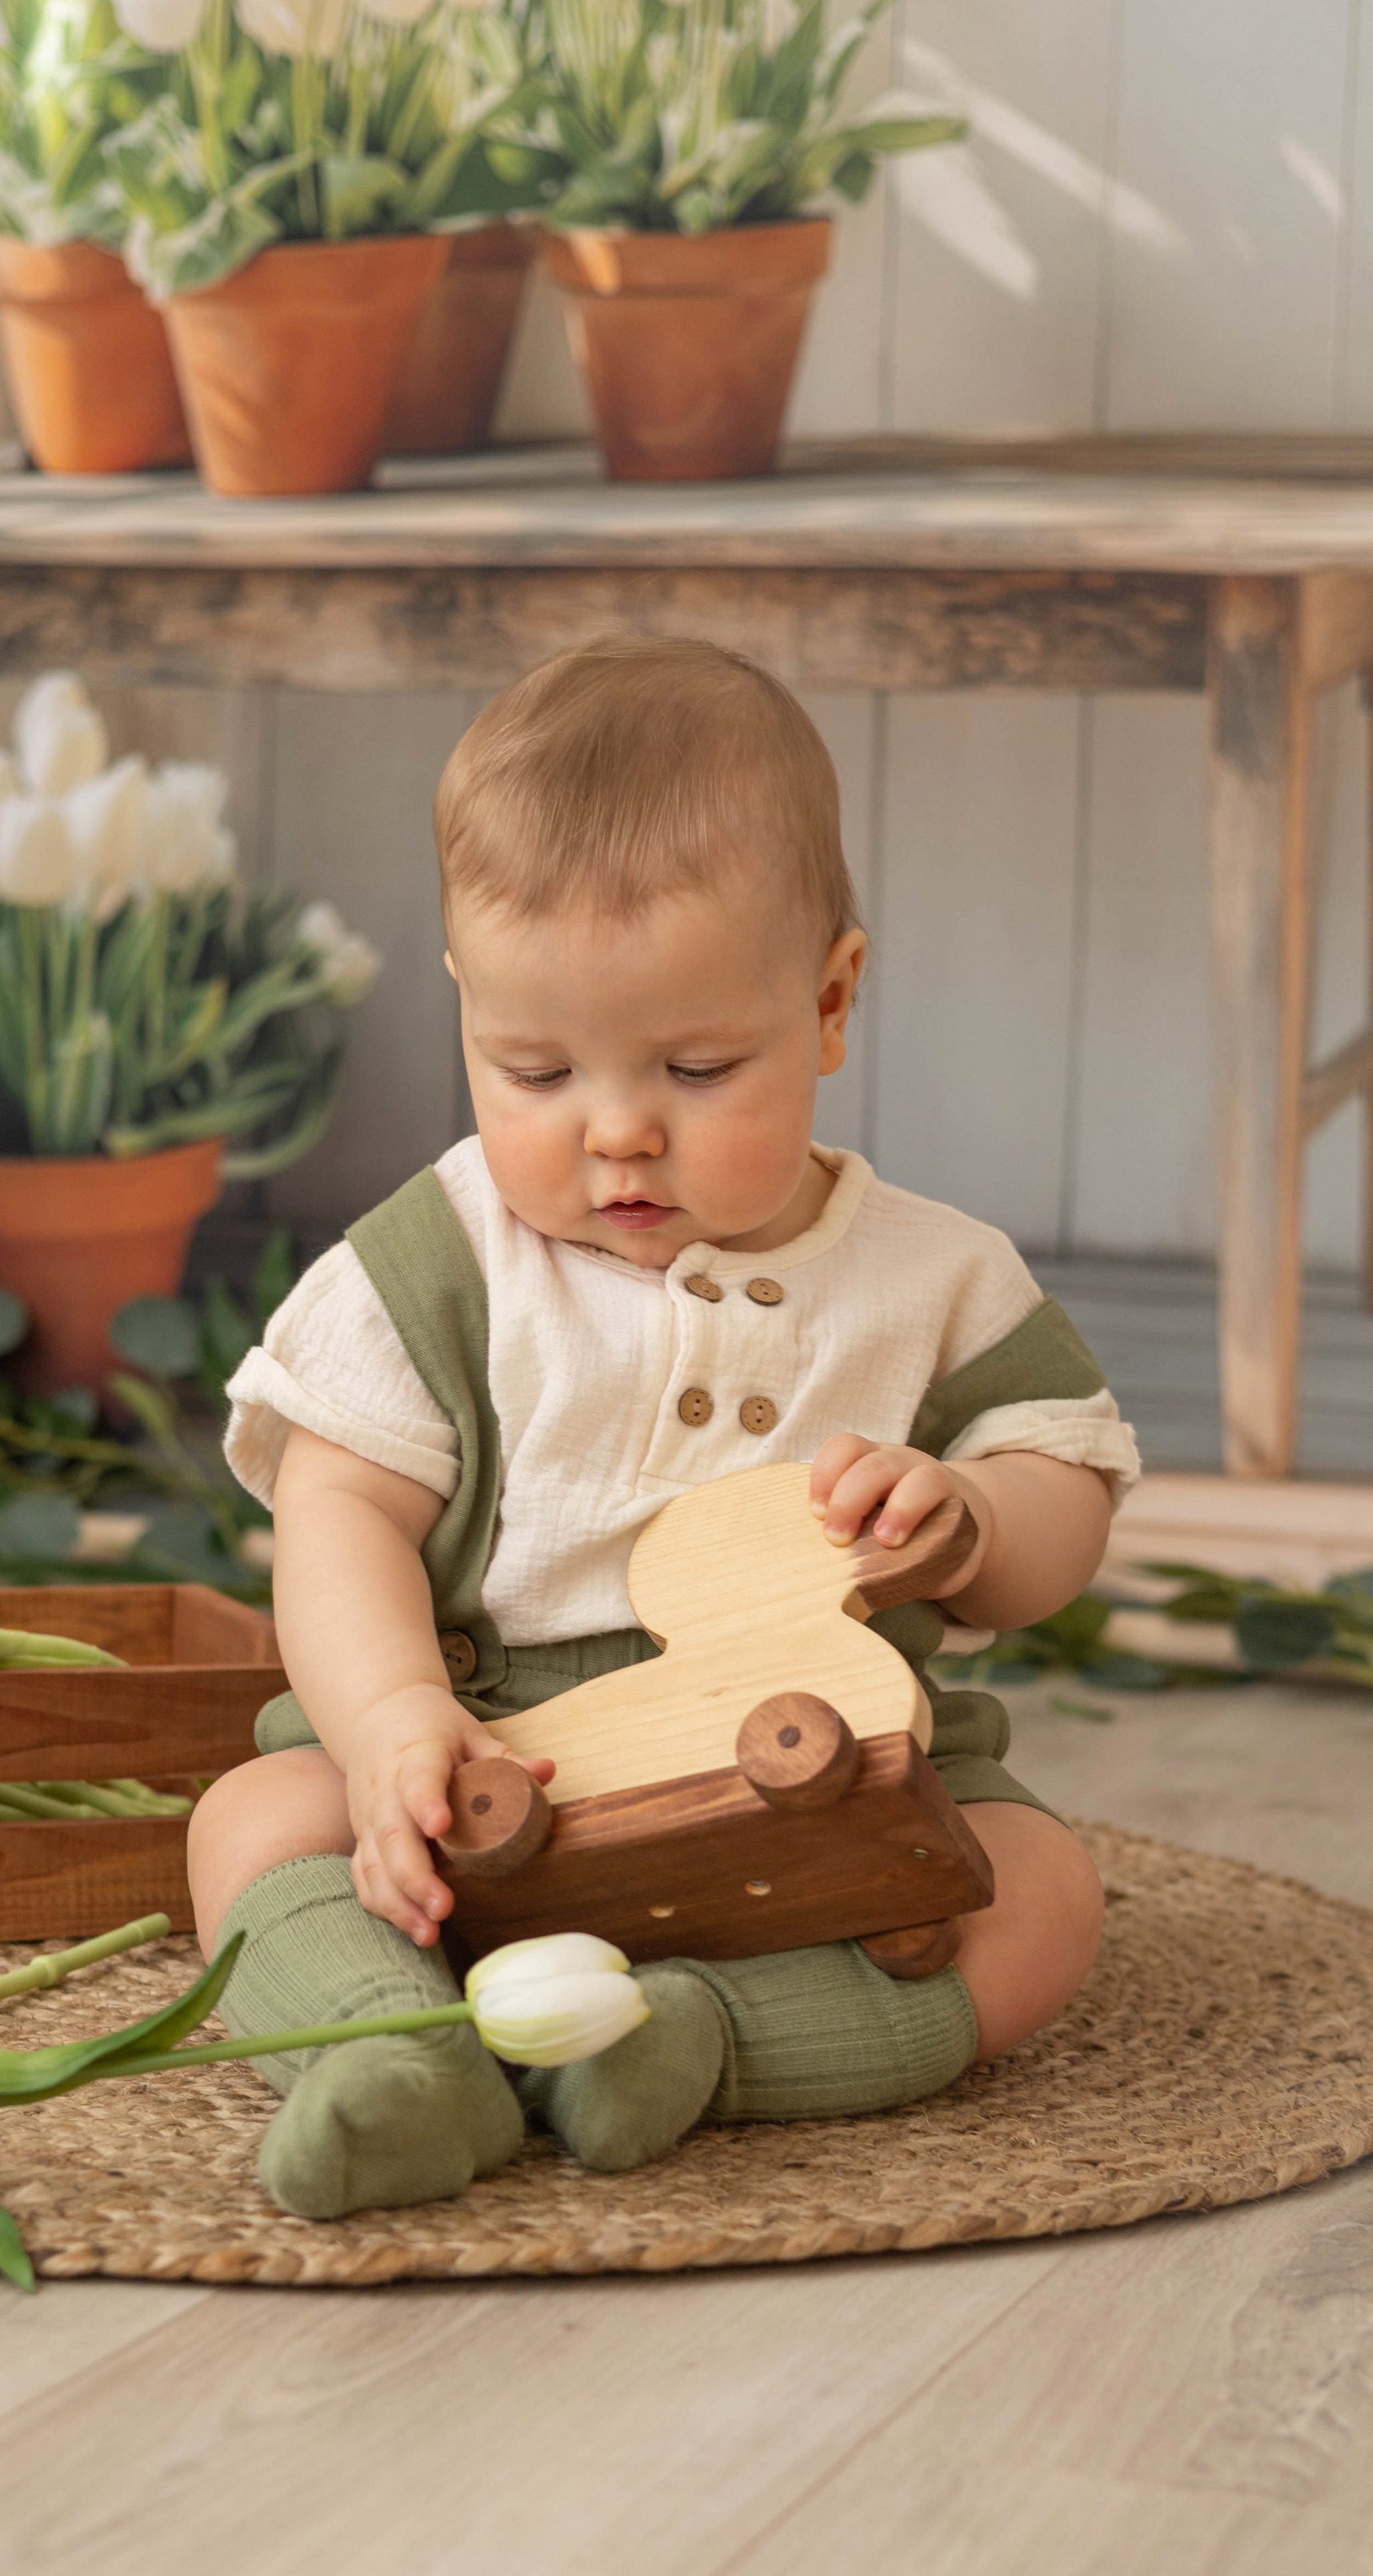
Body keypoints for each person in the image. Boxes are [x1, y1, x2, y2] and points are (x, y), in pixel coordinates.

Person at [189, 637, 1136, 2221]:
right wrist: (388, 1729)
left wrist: (968, 1517)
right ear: (465, 1012)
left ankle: (700, 2045)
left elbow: (1063, 1499)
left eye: (698, 1068)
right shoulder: (438, 1261)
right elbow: (339, 1512)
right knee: (250, 1822)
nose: (615, 1129)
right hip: (499, 1760)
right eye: (534, 1068)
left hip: (821, 1775)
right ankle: (396, 2052)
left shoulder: (932, 1277)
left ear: (828, 1000)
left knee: (1038, 1900)